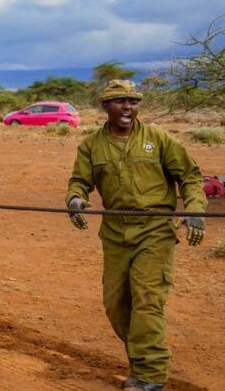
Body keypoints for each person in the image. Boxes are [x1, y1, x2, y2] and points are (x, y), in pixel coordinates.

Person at [66, 80, 206, 391]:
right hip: (115, 232)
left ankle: (151, 374)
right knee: (116, 304)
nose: (128, 107)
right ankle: (141, 359)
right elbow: (79, 181)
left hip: (155, 230)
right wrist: (75, 199)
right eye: (119, 101)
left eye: (132, 101)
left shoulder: (158, 139)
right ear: (106, 107)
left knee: (146, 300)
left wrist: (196, 210)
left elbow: (191, 177)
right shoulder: (91, 145)